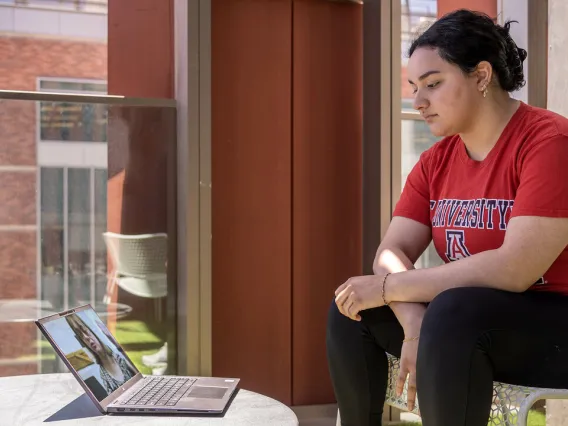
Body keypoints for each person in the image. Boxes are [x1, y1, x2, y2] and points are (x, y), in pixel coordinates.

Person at [327, 9, 568, 426]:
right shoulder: (436, 161)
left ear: (480, 76)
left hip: (554, 324)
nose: (419, 102)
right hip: (463, 326)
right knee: (351, 307)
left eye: (434, 85)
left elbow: (516, 270)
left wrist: (390, 289)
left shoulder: (549, 143)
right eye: (415, 88)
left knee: (452, 312)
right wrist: (413, 318)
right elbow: (392, 250)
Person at [66, 314, 136, 395]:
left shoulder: (120, 358)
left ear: (93, 330)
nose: (86, 337)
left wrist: (112, 340)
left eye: (85, 330)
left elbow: (139, 377)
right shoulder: (103, 376)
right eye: (80, 336)